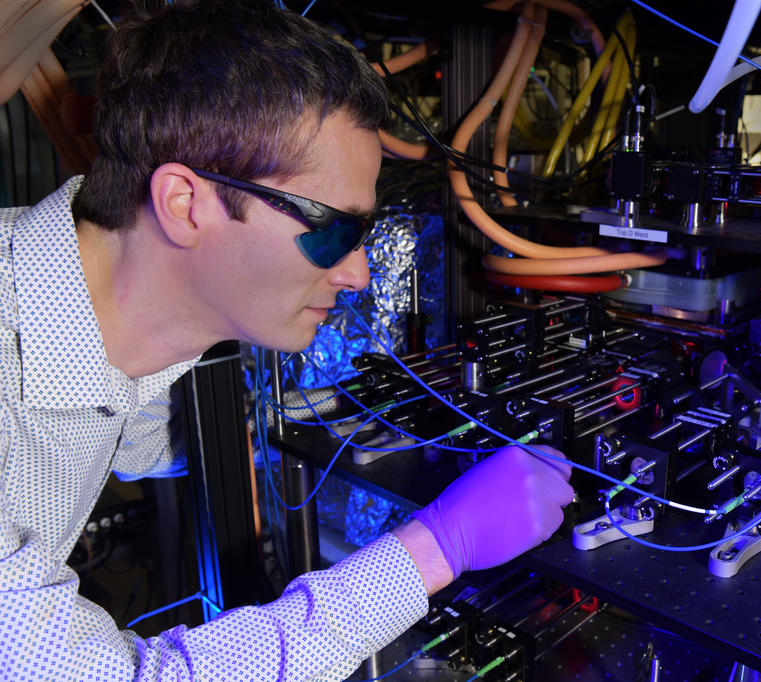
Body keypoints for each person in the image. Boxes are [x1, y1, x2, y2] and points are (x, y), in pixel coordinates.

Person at [0, 1, 575, 680]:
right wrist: (435, 547)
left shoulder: (90, 321)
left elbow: (134, 441)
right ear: (186, 203)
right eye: (333, 229)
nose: (358, 272)